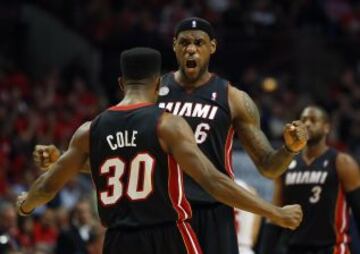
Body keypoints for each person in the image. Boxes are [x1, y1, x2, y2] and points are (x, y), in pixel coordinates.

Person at [33, 17, 308, 254]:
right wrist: (64, 164)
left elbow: (269, 167)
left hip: (213, 210)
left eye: (199, 43)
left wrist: (290, 148)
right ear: (174, 46)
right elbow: (121, 159)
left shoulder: (233, 99)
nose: (191, 49)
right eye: (185, 42)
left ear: (212, 47)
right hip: (164, 217)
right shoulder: (149, 92)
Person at [259, 106, 360, 254]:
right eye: (303, 119)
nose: (307, 124)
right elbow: (275, 214)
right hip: (293, 248)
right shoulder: (286, 164)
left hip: (332, 248)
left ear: (327, 128)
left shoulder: (342, 162)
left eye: (313, 120)